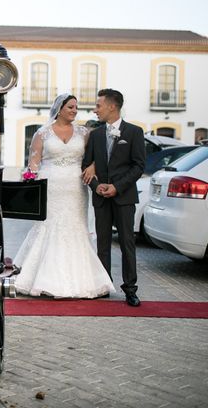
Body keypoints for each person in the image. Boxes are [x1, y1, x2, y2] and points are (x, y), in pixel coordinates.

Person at [13, 94, 115, 298]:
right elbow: (34, 163)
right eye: (71, 107)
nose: (75, 110)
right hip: (50, 187)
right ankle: (43, 279)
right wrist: (30, 180)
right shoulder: (42, 134)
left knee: (75, 227)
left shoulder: (84, 133)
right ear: (59, 109)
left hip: (76, 188)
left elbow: (95, 156)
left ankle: (82, 281)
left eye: (76, 107)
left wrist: (93, 166)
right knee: (49, 226)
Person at [82, 89, 145, 307]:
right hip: (101, 198)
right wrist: (97, 186)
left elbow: (139, 166)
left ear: (112, 106)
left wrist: (117, 187)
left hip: (124, 197)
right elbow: (86, 166)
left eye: (98, 105)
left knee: (127, 243)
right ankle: (104, 285)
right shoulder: (96, 135)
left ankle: (130, 289)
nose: (95, 109)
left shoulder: (134, 132)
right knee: (103, 244)